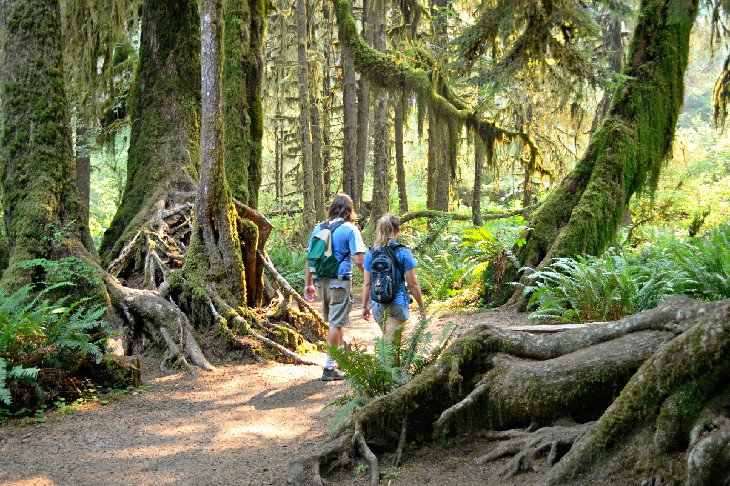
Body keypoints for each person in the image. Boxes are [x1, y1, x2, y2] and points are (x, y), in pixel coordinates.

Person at [304, 194, 366, 381]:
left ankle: (338, 363)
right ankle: (329, 368)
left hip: (322, 281)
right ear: (349, 210)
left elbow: (310, 258)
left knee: (336, 323)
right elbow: (358, 259)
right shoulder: (350, 229)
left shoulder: (319, 227)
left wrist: (309, 283)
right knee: (335, 323)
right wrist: (368, 278)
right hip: (339, 282)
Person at [362, 213, 426, 341]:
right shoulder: (403, 253)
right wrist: (421, 308)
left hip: (377, 303)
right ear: (398, 229)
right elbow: (413, 284)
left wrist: (365, 306)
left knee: (388, 345)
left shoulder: (371, 253)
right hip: (398, 303)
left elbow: (367, 284)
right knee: (390, 346)